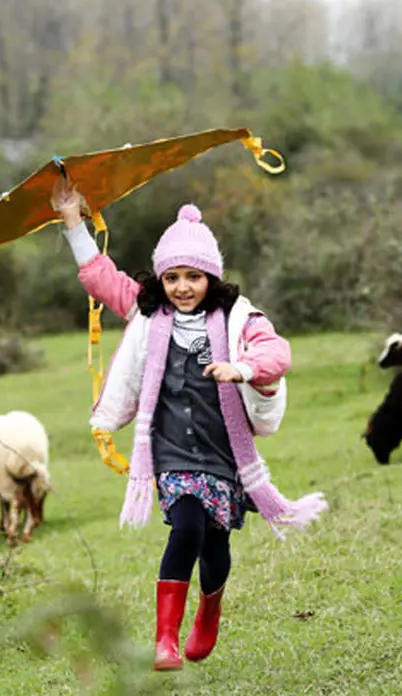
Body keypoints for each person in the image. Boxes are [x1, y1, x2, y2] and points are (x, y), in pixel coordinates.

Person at [50, 180, 327, 671]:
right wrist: (73, 220)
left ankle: (211, 606)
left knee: (214, 544)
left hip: (223, 454)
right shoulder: (147, 312)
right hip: (171, 451)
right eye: (173, 276)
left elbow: (276, 353)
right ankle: (165, 641)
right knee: (186, 527)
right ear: (161, 279)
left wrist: (240, 368)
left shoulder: (239, 317)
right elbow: (99, 277)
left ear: (210, 278)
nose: (181, 287)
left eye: (193, 277)